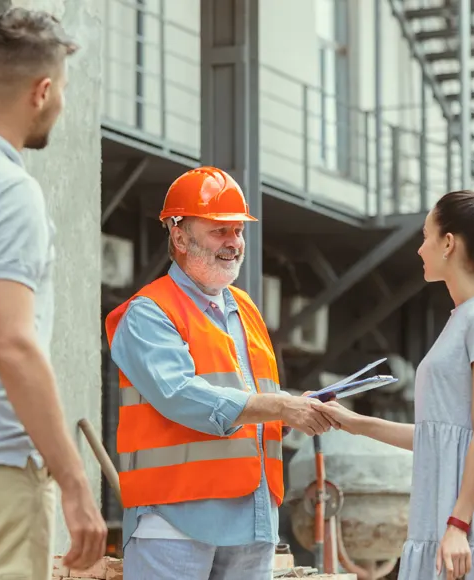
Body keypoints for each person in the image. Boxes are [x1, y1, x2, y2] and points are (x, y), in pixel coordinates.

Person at [0, 9, 107, 580]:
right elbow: (13, 343)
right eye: (64, 93)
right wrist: (76, 482)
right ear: (43, 90)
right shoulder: (9, 191)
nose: (62, 107)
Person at [105, 166, 339, 580]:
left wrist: (291, 409)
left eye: (238, 231)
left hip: (251, 517)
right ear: (179, 236)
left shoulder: (244, 308)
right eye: (219, 231)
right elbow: (178, 393)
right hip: (174, 523)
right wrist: (277, 406)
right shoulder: (149, 312)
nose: (233, 242)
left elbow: (249, 392)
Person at [321, 190, 474, 580]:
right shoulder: (464, 318)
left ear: (448, 243)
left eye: (425, 236)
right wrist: (349, 421)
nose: (420, 249)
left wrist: (459, 524)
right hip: (447, 520)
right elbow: (437, 436)